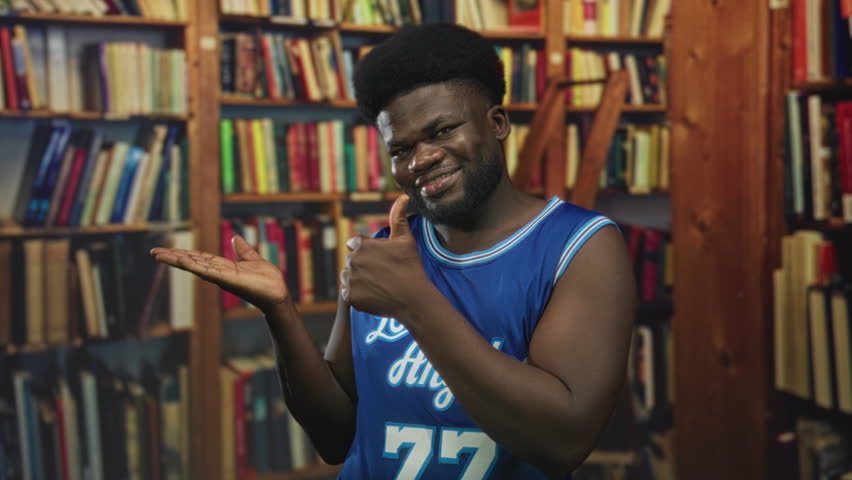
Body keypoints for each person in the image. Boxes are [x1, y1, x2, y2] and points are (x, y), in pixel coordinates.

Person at [151, 23, 636, 479]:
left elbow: (563, 442)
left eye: (443, 131)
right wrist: (279, 312)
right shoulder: (384, 254)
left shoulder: (581, 246)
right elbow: (336, 436)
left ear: (498, 123)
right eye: (400, 149)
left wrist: (414, 302)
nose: (421, 159)